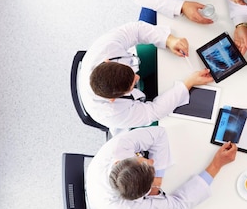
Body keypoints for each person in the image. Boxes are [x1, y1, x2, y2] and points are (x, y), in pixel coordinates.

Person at [85, 126, 237, 209]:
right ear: (141, 197)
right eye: (149, 161)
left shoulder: (119, 147)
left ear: (122, 160)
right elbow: (178, 206)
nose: (152, 161)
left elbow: (159, 134)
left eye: (143, 159)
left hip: (97, 186)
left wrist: (157, 180)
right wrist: (216, 165)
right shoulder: (125, 207)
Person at [78, 21, 213, 135]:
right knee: (169, 126)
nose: (138, 77)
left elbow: (135, 31)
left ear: (107, 61)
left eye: (133, 74)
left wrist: (169, 40)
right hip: (133, 114)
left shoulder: (104, 49)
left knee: (162, 48)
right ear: (113, 99)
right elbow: (153, 112)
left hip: (127, 69)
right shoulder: (111, 113)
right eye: (132, 84)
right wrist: (187, 84)